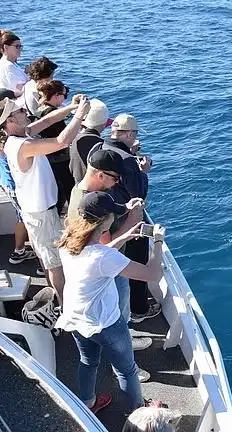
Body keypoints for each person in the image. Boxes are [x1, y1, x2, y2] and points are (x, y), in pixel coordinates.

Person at [55, 191, 167, 414]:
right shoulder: (104, 258)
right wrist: (157, 241)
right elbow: (152, 274)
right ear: (104, 222)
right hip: (106, 323)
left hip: (76, 319)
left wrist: (123, 238)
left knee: (88, 362)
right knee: (127, 371)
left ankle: (88, 403)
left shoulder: (68, 240)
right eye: (112, 216)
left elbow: (99, 255)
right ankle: (137, 414)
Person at [69, 149, 156, 380]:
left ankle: (125, 342)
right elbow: (106, 247)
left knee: (88, 360)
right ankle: (127, 363)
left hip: (86, 287)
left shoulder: (83, 194)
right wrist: (135, 218)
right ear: (100, 174)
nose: (115, 183)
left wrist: (125, 209)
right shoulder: (93, 211)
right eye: (114, 178)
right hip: (107, 274)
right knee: (118, 321)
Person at [0, 95, 90, 303]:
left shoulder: (20, 137)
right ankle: (64, 304)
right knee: (55, 264)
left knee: (46, 258)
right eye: (19, 111)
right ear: (10, 121)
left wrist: (71, 108)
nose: (25, 111)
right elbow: (62, 141)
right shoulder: (22, 146)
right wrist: (80, 115)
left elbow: (47, 121)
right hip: (41, 213)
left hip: (34, 210)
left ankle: (57, 300)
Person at [92, 113, 160, 323]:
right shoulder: (129, 161)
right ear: (130, 134)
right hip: (128, 220)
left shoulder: (99, 148)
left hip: (107, 217)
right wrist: (143, 171)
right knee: (135, 262)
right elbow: (138, 194)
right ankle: (139, 309)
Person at [34, 80, 76, 211]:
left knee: (56, 191)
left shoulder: (40, 109)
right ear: (56, 95)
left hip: (48, 158)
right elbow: (66, 135)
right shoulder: (50, 113)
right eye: (64, 95)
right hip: (60, 159)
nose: (64, 98)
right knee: (68, 190)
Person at [0, 133, 37, 265]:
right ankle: (22, 252)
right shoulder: (7, 144)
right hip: (13, 186)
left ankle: (20, 250)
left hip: (7, 184)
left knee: (22, 217)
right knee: (27, 219)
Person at [69, 99, 112, 184]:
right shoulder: (99, 144)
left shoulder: (74, 138)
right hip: (93, 191)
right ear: (104, 124)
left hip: (77, 187)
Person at [0, 30, 28, 98]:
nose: (20, 49)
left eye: (20, 46)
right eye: (17, 46)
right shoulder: (8, 66)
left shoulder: (10, 64)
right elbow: (19, 88)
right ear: (6, 47)